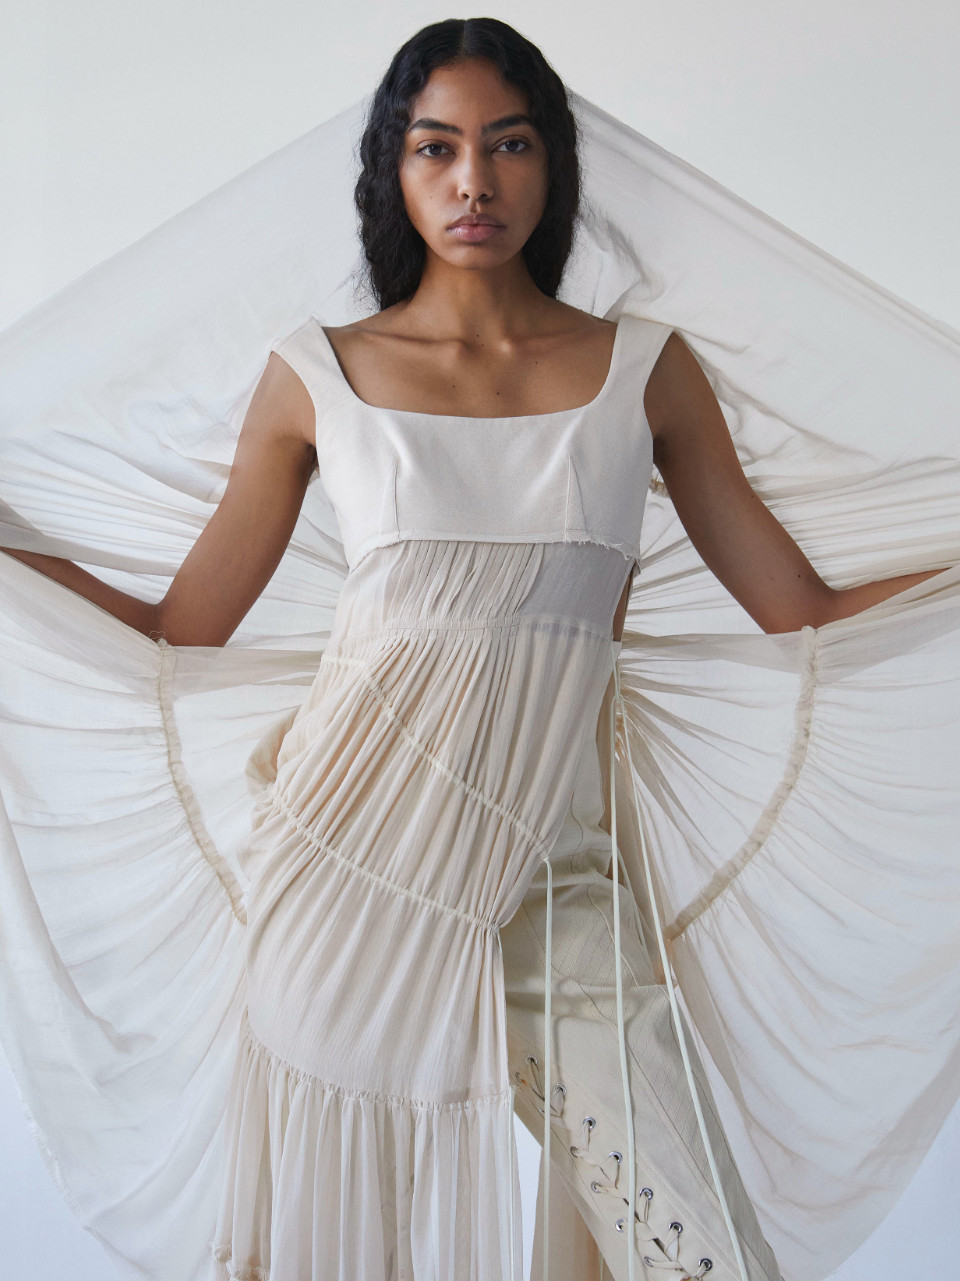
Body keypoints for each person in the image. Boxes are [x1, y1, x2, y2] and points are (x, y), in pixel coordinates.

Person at [1, 16, 956, 1281]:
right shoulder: (318, 375)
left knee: (701, 1250)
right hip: (349, 872)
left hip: (556, 878)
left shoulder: (644, 372)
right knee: (338, 1246)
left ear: (553, 162)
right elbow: (185, 629)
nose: (473, 182)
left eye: (508, 145)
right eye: (436, 148)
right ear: (392, 172)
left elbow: (802, 610)